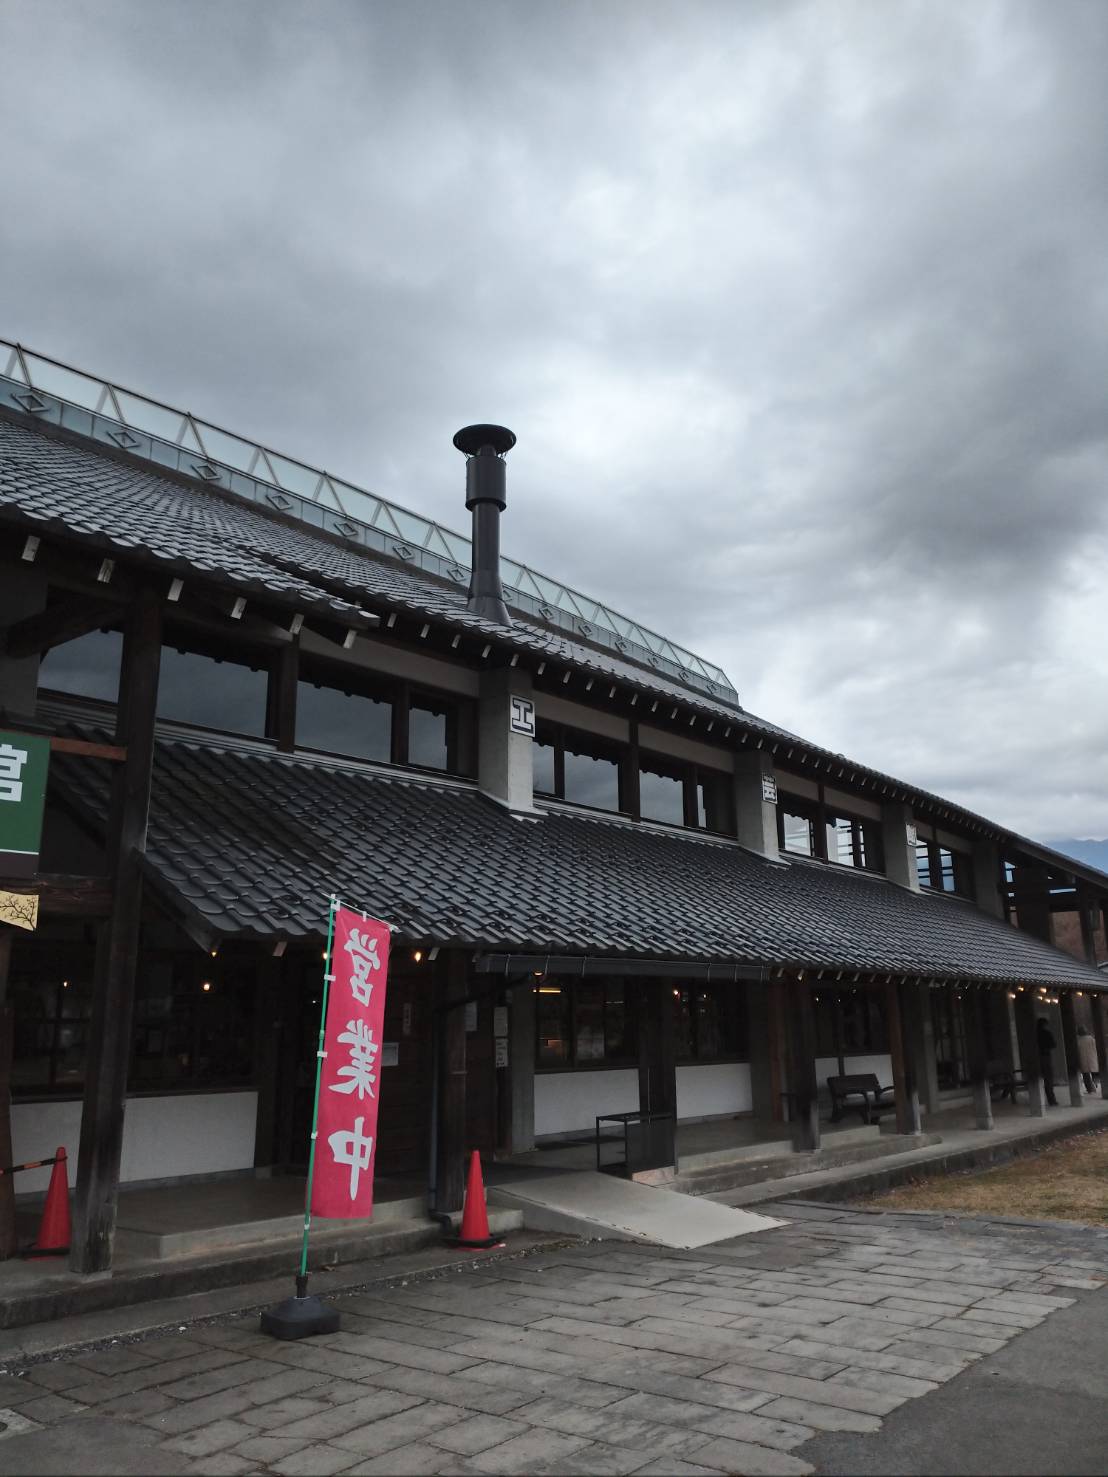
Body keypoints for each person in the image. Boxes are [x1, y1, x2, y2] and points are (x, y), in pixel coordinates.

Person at [1036, 1017, 1058, 1105]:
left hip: (1036, 1057)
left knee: (1036, 1078)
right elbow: (1053, 1044)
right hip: (1045, 1056)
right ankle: (1051, 1099)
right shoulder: (1047, 1033)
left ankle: (1037, 1099)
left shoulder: (1034, 1034)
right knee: (1048, 1079)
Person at [1076, 1025, 1100, 1094]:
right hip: (1092, 1058)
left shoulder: (1078, 1040)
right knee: (1094, 1072)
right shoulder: (1092, 1039)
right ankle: (1095, 1083)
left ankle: (1090, 1089)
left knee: (1085, 1075)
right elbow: (1096, 1047)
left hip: (1083, 1058)